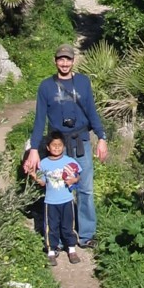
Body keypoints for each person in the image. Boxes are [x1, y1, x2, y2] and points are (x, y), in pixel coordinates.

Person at [24, 44, 109, 248]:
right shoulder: (46, 87)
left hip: (81, 141)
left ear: (73, 61)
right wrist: (34, 150)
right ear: (55, 61)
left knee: (85, 189)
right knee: (58, 190)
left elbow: (91, 111)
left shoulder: (83, 82)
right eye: (61, 59)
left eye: (68, 59)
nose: (64, 63)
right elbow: (39, 120)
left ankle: (86, 235)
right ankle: (60, 238)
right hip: (57, 146)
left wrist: (102, 137)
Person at [32, 131, 81, 265]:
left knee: (68, 226)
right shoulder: (43, 164)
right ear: (48, 147)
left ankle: (71, 249)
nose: (57, 147)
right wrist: (33, 175)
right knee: (51, 227)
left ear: (64, 146)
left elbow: (78, 176)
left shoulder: (69, 161)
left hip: (67, 201)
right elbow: (42, 182)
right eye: (54, 145)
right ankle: (51, 251)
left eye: (59, 145)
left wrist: (74, 180)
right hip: (50, 202)